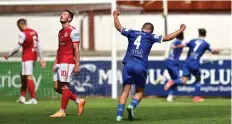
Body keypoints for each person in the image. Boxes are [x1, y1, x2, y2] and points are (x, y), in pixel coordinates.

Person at [113, 10, 186, 121]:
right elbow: (167, 37)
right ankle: (131, 106)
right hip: (140, 66)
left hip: (127, 64)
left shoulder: (132, 32)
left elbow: (119, 28)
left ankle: (118, 116)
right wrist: (181, 29)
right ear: (151, 31)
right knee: (140, 91)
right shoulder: (151, 36)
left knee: (125, 91)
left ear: (142, 28)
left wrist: (115, 16)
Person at [164, 28, 220, 102]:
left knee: (183, 81)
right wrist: (217, 51)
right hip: (194, 63)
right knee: (198, 80)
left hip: (186, 63)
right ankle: (196, 97)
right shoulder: (206, 43)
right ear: (205, 34)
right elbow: (212, 51)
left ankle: (172, 82)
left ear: (198, 34)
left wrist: (175, 47)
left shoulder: (192, 41)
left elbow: (183, 45)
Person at [49, 10, 86, 118]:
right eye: (61, 14)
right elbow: (59, 48)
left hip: (68, 61)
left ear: (69, 19)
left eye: (64, 14)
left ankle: (62, 111)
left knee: (64, 86)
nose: (61, 15)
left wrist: (77, 64)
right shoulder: (60, 32)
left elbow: (76, 49)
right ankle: (78, 101)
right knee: (57, 87)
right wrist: (55, 62)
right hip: (59, 62)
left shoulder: (73, 31)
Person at [4, 19, 46, 104]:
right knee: (22, 75)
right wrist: (41, 59)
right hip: (34, 57)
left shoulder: (22, 33)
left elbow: (17, 48)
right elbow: (38, 47)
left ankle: (33, 99)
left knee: (28, 76)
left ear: (20, 25)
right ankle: (22, 97)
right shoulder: (34, 32)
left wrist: (9, 55)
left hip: (27, 57)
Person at [157, 32, 184, 102]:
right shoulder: (178, 42)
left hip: (169, 62)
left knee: (175, 81)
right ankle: (164, 79)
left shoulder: (173, 42)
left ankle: (169, 97)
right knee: (180, 81)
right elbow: (182, 45)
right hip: (173, 63)